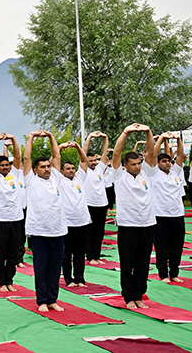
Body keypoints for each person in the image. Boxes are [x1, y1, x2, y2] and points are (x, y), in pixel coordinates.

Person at [112, 123, 155, 309]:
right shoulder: (119, 176)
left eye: (138, 163)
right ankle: (128, 297)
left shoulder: (147, 173)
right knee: (127, 263)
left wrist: (148, 132)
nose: (137, 167)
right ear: (125, 166)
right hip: (128, 225)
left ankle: (139, 294)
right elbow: (116, 153)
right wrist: (126, 132)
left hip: (147, 224)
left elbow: (151, 152)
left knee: (143, 263)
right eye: (133, 164)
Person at [23, 130, 67, 312]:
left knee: (55, 269)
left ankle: (52, 299)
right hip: (39, 231)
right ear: (35, 169)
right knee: (41, 268)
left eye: (48, 166)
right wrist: (32, 137)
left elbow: (57, 155)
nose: (47, 169)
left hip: (58, 231)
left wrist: (50, 137)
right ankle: (41, 300)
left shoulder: (55, 177)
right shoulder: (30, 180)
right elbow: (26, 158)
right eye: (42, 167)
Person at [0, 132, 24, 292]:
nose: (5, 167)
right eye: (2, 165)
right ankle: (2, 282)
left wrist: (14, 139)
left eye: (7, 165)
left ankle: (10, 280)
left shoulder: (15, 174)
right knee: (0, 253)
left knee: (13, 254)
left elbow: (18, 157)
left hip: (16, 219)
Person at [148, 132, 186, 283]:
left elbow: (181, 156)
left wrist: (178, 139)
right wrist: (162, 139)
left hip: (177, 214)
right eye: (164, 161)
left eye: (169, 161)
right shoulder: (153, 173)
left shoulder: (176, 171)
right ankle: (163, 274)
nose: (167, 163)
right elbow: (152, 153)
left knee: (177, 246)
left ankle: (174, 273)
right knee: (162, 247)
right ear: (158, 163)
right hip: (160, 215)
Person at [57, 142, 91, 287]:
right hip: (67, 222)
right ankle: (68, 279)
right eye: (68, 169)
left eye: (72, 168)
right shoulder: (59, 180)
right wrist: (60, 148)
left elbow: (84, 161)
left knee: (80, 253)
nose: (71, 171)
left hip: (82, 221)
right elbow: (55, 159)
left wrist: (78, 147)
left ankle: (80, 278)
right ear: (62, 171)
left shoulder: (80, 178)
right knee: (66, 254)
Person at [82, 132, 110, 264]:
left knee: (99, 232)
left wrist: (105, 138)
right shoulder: (83, 171)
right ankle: (90, 256)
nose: (93, 163)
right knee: (89, 232)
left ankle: (97, 257)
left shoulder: (100, 169)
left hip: (102, 204)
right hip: (89, 204)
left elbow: (105, 154)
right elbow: (84, 151)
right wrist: (90, 138)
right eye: (90, 161)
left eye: (94, 160)